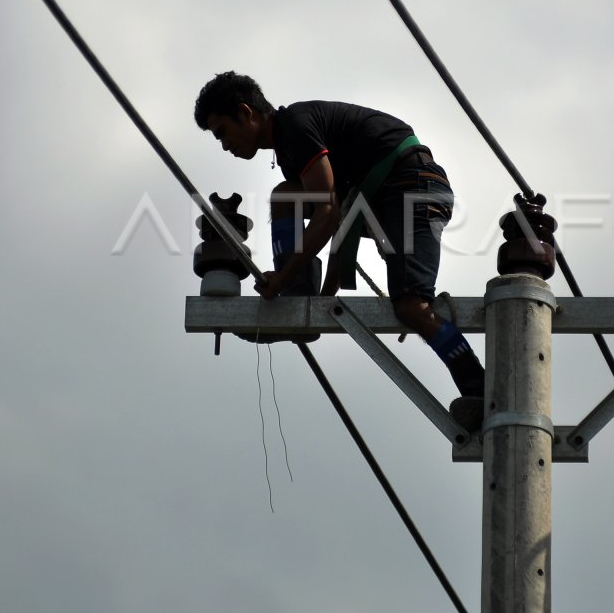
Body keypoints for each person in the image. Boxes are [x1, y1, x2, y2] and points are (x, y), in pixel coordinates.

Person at [194, 71, 485, 429]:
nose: (224, 144)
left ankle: (478, 386)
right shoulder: (290, 145)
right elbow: (338, 216)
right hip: (382, 197)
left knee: (412, 305)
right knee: (286, 196)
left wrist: (280, 278)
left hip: (413, 188)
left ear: (245, 112)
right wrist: (318, 305)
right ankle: (298, 293)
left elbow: (330, 214)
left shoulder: (296, 129)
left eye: (222, 131)